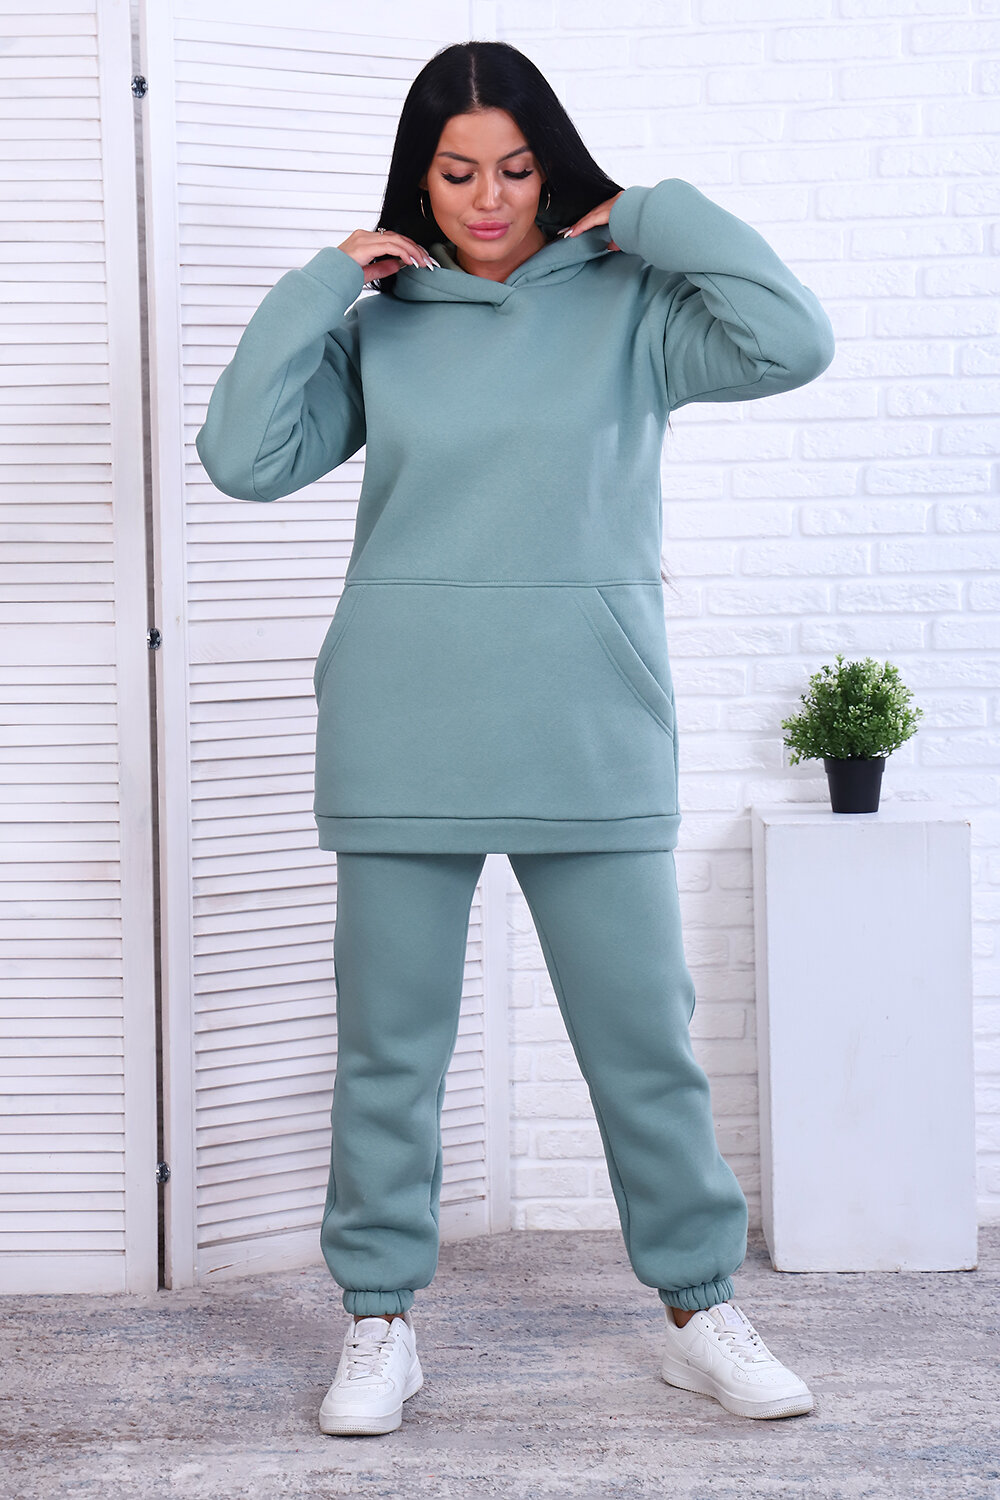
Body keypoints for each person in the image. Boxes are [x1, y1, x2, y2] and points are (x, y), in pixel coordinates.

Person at [195, 40, 835, 1438]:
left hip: (588, 725)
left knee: (644, 1045)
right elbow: (241, 460)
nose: (489, 199)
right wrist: (321, 284)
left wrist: (652, 213)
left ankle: (699, 1311)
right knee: (390, 1055)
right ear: (419, 181)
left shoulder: (636, 308)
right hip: (402, 728)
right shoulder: (381, 327)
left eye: (517, 168)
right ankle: (379, 1321)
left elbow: (794, 340)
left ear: (556, 170)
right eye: (458, 172)